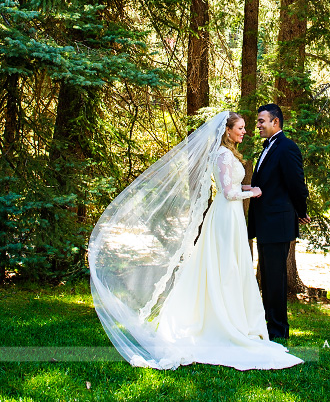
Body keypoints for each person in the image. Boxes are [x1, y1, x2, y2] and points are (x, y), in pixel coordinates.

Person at [88, 110, 303, 370]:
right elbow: (227, 191)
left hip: (234, 218)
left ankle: (246, 321)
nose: (246, 131)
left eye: (251, 125)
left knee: (235, 268)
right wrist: (253, 191)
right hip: (226, 217)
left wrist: (251, 189)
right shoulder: (223, 154)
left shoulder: (240, 152)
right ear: (227, 131)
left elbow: (247, 184)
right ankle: (224, 321)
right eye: (241, 127)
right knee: (226, 268)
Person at [248, 104, 310, 340]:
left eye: (262, 121)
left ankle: (278, 331)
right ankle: (269, 327)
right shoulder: (268, 148)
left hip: (277, 224)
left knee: (275, 281)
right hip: (266, 224)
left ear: (276, 122)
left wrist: (301, 210)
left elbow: (297, 184)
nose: (258, 125)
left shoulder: (287, 148)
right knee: (269, 278)